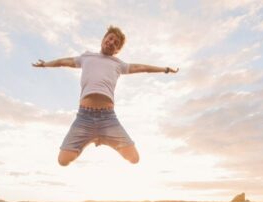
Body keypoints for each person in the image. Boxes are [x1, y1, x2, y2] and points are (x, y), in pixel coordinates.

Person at [33, 26, 178, 166]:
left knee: (134, 158)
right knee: (63, 160)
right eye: (110, 39)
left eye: (116, 44)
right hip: (84, 118)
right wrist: (45, 64)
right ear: (104, 39)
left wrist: (165, 69)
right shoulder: (86, 57)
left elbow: (142, 67)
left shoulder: (118, 64)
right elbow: (63, 62)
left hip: (108, 118)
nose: (111, 43)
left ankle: (102, 137)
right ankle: (93, 137)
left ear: (117, 50)